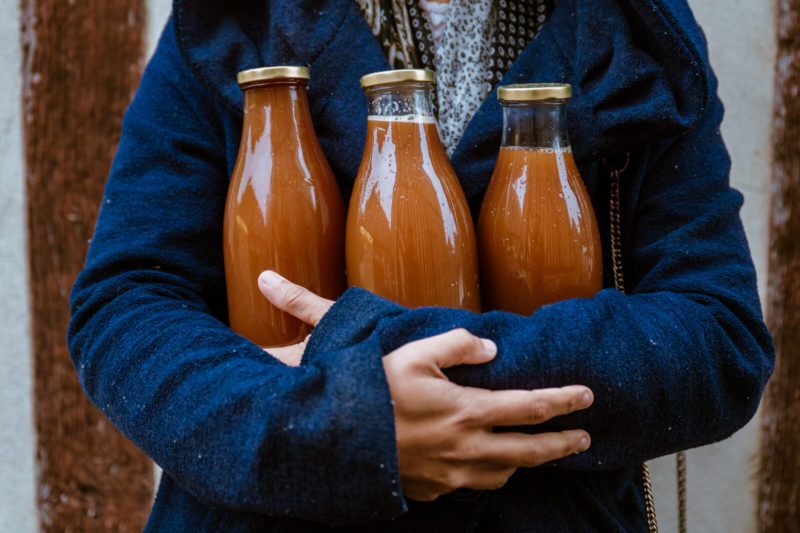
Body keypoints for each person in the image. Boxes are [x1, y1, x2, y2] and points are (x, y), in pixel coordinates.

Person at [67, 0, 774, 531]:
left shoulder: (631, 22)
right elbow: (126, 307)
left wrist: (391, 366)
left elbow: (718, 338)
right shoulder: (238, 15)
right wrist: (344, 425)